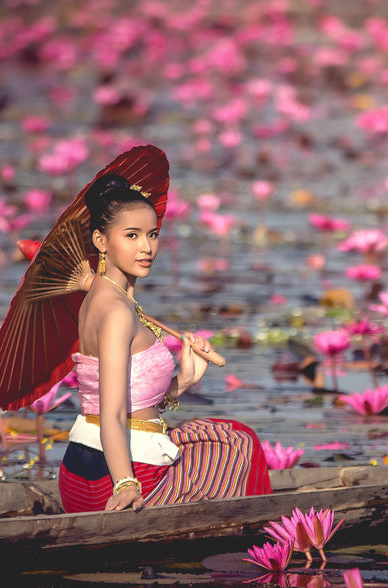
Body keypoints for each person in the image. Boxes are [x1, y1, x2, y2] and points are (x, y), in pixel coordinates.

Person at [58, 173, 271, 512]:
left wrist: (183, 381)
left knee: (223, 432)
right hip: (112, 480)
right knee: (239, 444)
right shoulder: (115, 312)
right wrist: (126, 485)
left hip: (86, 466)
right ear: (101, 240)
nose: (146, 247)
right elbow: (111, 413)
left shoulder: (105, 296)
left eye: (152, 235)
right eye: (131, 236)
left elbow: (131, 399)